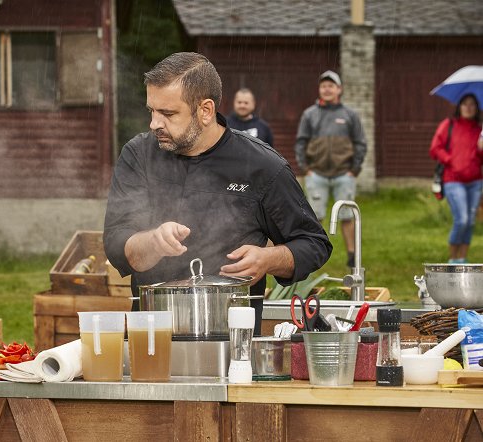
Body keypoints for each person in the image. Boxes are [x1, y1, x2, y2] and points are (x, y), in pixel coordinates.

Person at [104, 52, 332, 334]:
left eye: (168, 113)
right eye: (152, 110)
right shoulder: (138, 156)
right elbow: (115, 242)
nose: (154, 124)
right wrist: (152, 241)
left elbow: (314, 244)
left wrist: (268, 259)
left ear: (206, 110)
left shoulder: (262, 166)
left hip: (232, 342)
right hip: (150, 340)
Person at [294, 70, 367, 269]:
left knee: (347, 216)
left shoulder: (349, 115)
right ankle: (314, 254)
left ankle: (353, 255)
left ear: (339, 89)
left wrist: (354, 169)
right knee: (314, 217)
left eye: (331, 86)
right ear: (320, 89)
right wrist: (306, 168)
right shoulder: (310, 114)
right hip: (316, 174)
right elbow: (301, 142)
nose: (327, 89)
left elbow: (360, 143)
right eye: (323, 86)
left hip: (344, 174)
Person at [429, 94, 483, 264]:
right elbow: (435, 149)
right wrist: (451, 159)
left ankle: (462, 259)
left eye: (472, 104)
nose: (468, 107)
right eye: (465, 104)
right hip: (453, 180)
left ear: (477, 108)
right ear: (459, 106)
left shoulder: (480, 131)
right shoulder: (449, 125)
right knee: (462, 219)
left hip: (475, 182)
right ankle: (452, 260)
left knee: (471, 220)